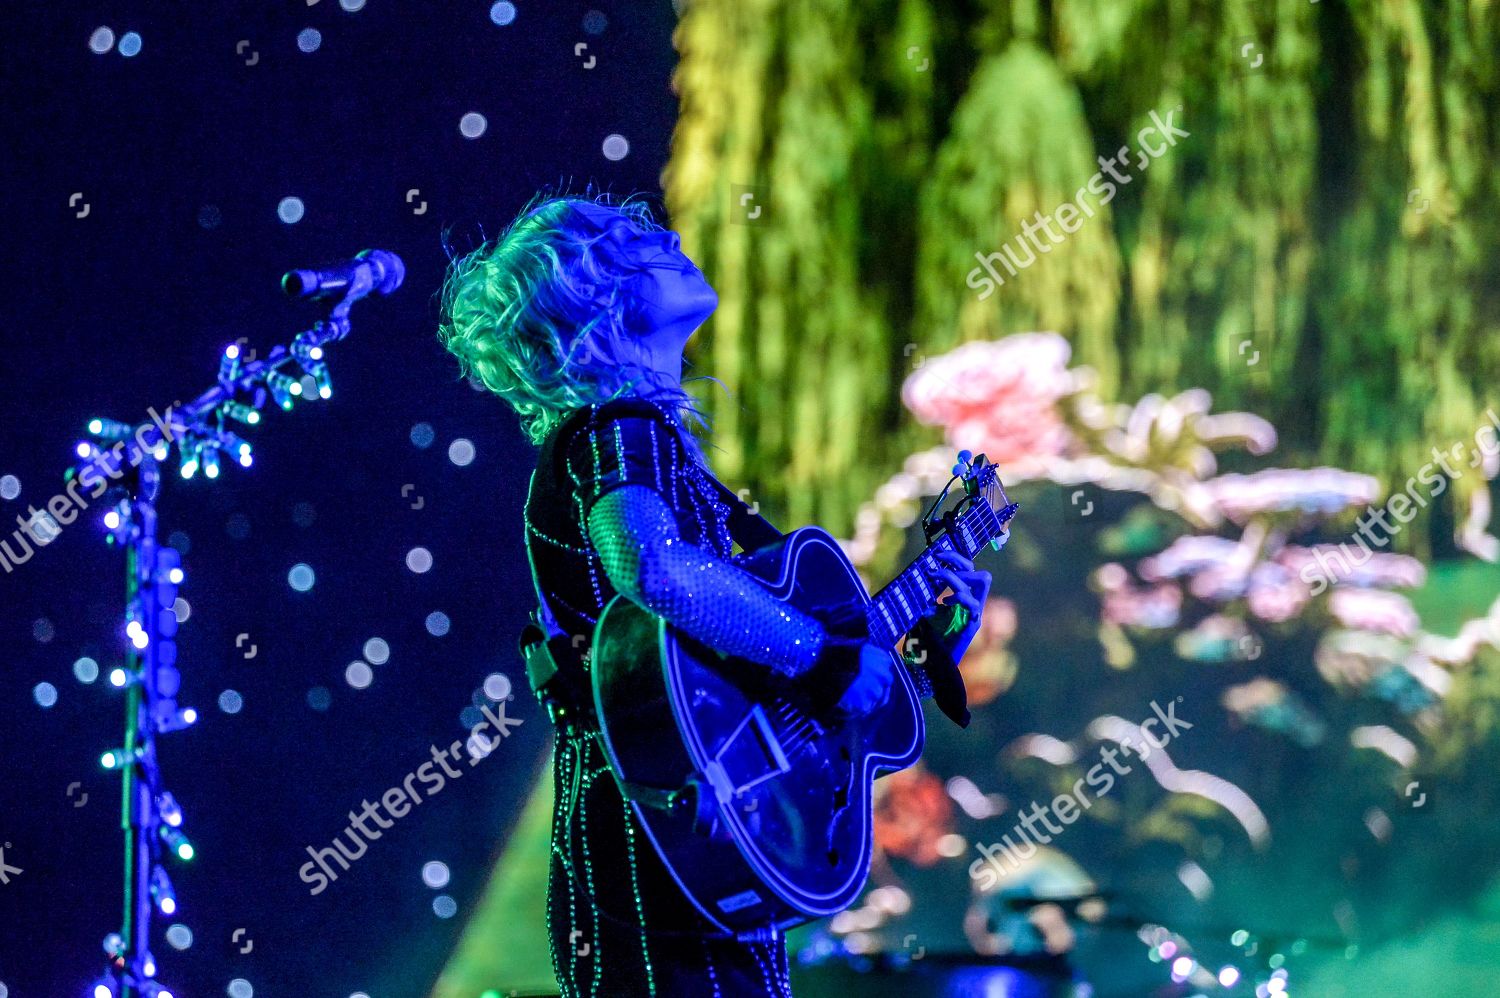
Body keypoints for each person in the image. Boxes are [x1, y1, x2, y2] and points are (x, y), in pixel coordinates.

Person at [437, 193, 995, 997]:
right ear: (601, 295)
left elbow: (749, 686)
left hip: (685, 840)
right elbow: (652, 569)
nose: (666, 234)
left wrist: (911, 649)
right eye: (634, 241)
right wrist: (823, 659)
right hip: (661, 839)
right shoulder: (617, 427)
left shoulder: (637, 441)